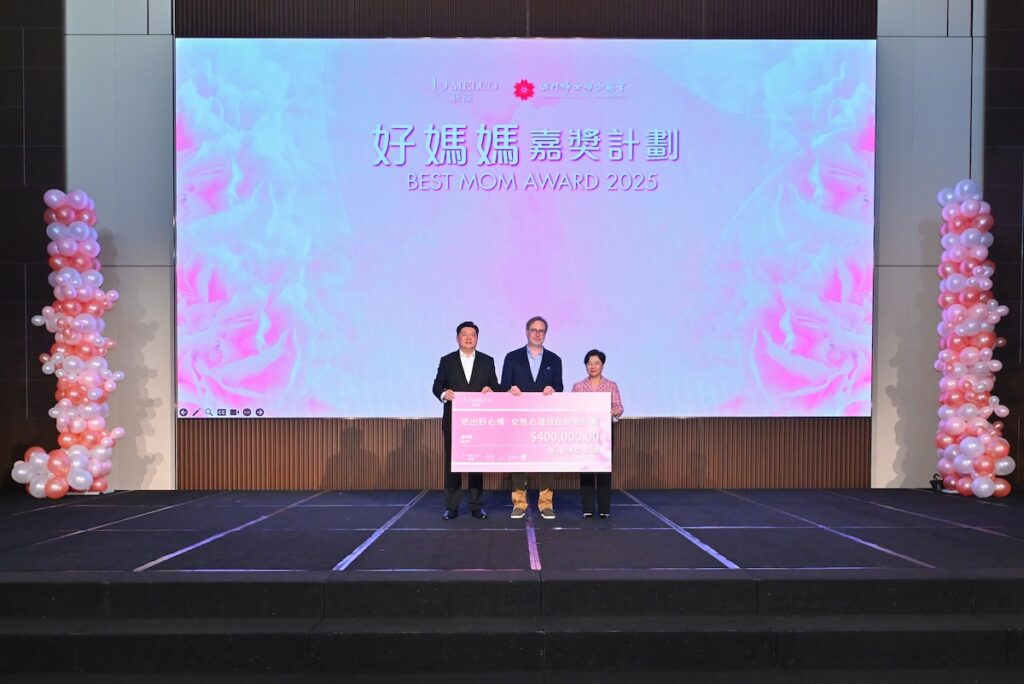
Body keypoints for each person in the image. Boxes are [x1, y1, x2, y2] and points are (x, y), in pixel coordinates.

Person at [432, 321, 499, 520]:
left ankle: (476, 506)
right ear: (457, 338)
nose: (469, 338)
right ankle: (451, 507)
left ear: (477, 338)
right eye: (464, 334)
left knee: (476, 466)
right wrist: (444, 394)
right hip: (454, 422)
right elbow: (437, 385)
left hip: (478, 423)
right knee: (453, 466)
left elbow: (496, 385)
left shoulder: (487, 361)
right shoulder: (447, 360)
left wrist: (491, 390)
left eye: (472, 335)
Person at [500, 316, 563, 519]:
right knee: (519, 460)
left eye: (541, 331)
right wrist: (510, 389)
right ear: (527, 332)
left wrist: (552, 389)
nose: (537, 334)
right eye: (534, 330)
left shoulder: (555, 360)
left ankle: (546, 503)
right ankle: (519, 502)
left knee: (546, 460)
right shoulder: (512, 357)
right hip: (518, 419)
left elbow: (559, 387)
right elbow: (503, 385)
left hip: (545, 420)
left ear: (545, 334)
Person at [571, 349, 623, 518]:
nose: (592, 366)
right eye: (589, 363)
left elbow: (619, 406)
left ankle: (604, 509)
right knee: (586, 469)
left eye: (596, 363)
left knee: (604, 470)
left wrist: (614, 410)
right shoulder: (578, 386)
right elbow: (572, 408)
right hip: (584, 433)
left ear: (602, 365)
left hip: (604, 432)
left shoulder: (611, 385)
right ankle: (587, 508)